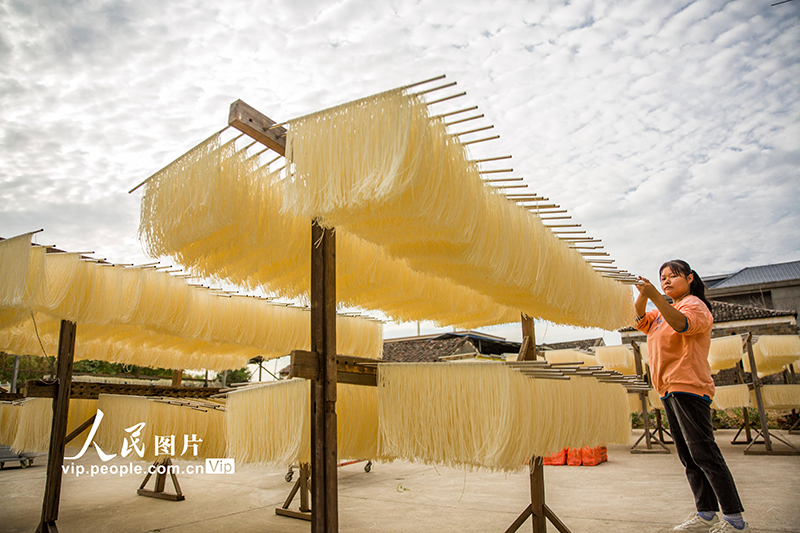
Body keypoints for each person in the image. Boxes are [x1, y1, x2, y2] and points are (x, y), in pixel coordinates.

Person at [634, 260, 749, 533]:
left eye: (673, 276)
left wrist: (655, 296)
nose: (666, 281)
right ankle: (706, 513)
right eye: (662, 278)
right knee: (689, 456)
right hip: (668, 389)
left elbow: (682, 325)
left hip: (688, 386)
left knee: (704, 452)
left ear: (689, 278)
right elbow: (638, 320)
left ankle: (734, 519)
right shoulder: (661, 313)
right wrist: (643, 295)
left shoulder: (694, 305)